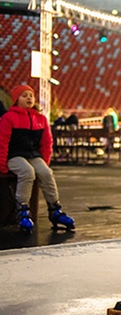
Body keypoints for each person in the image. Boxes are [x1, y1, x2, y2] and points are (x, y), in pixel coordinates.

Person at [0, 85, 75, 233]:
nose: (29, 98)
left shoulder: (40, 119)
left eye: (31, 95)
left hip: (34, 155)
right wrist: (2, 164)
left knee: (46, 173)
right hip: (15, 155)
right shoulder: (9, 118)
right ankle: (22, 210)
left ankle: (55, 209)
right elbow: (2, 141)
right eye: (24, 95)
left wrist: (45, 162)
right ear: (16, 100)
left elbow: (47, 142)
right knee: (27, 172)